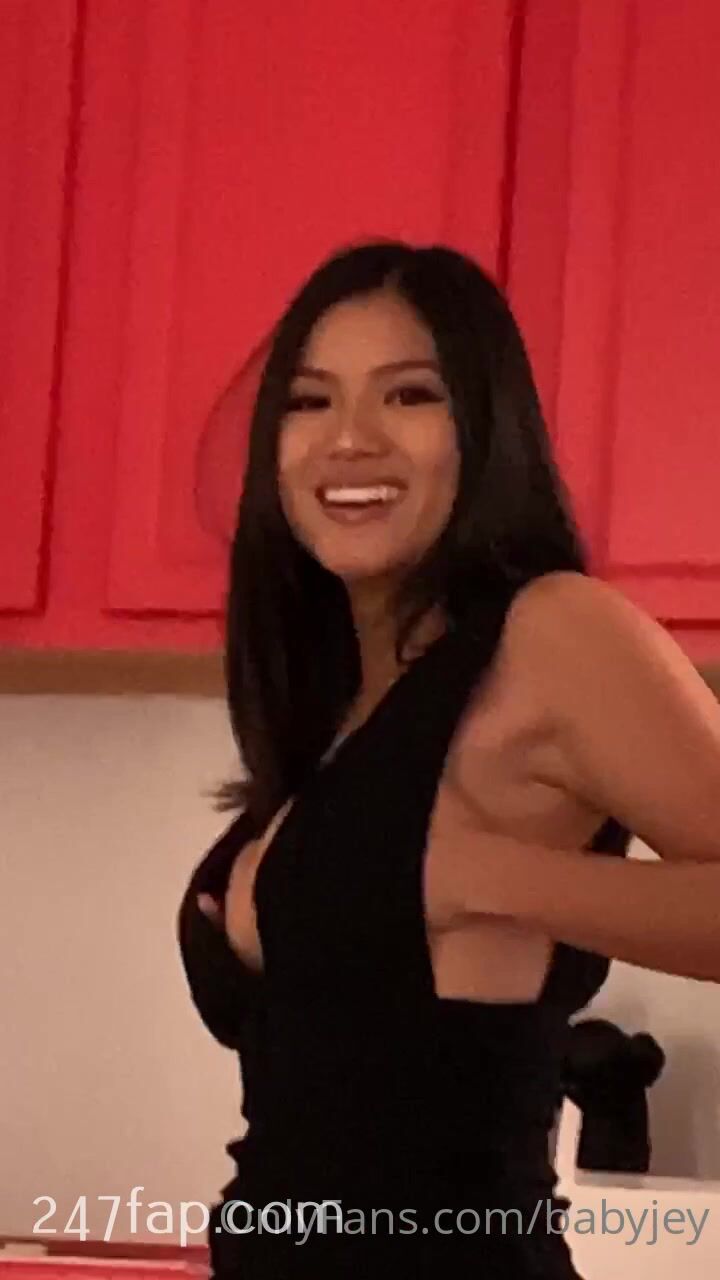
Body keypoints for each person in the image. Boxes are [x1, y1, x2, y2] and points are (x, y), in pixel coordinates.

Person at [177, 240, 720, 1278]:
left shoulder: (549, 633)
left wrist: (489, 876)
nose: (351, 438)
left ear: (484, 429)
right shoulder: (344, 706)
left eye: (410, 394)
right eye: (309, 402)